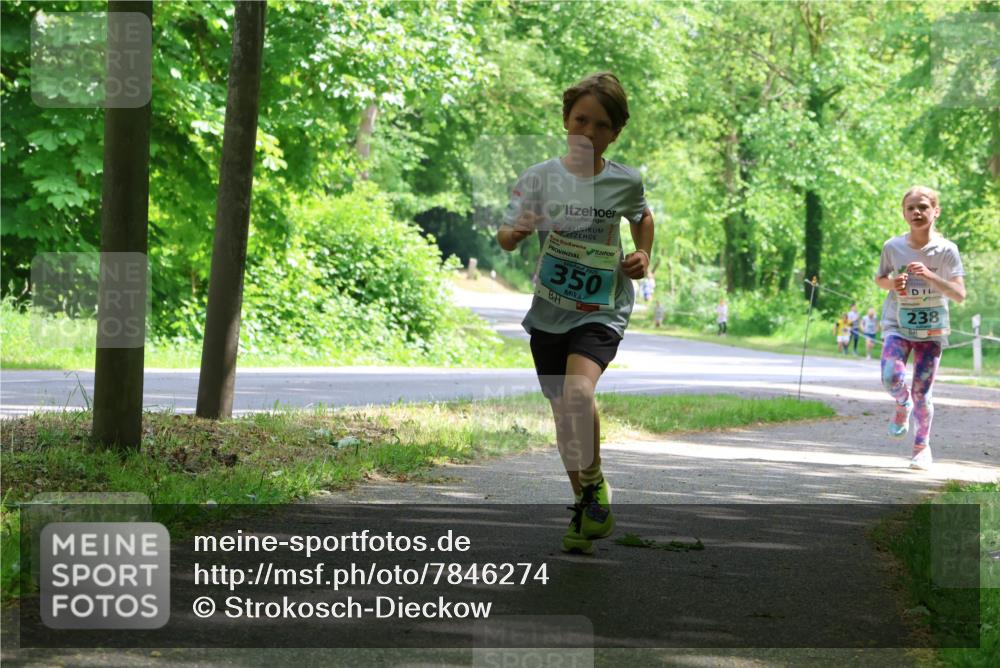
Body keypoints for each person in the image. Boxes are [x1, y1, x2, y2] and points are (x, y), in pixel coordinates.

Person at [496, 72, 653, 554]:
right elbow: (503, 236)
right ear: (566, 120)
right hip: (548, 312)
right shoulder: (540, 178)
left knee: (578, 393)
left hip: (601, 307)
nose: (587, 132)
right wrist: (519, 230)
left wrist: (643, 255)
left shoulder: (624, 181)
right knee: (563, 414)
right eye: (580, 120)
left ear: (615, 132)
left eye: (600, 125)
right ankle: (588, 507)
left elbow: (642, 217)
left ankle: (594, 484)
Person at [875, 186, 965, 470]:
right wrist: (893, 284)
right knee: (891, 376)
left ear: (935, 211)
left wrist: (929, 276)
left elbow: (959, 294)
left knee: (922, 392)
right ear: (903, 213)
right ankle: (902, 405)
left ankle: (921, 447)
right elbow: (881, 279)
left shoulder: (947, 250)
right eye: (911, 207)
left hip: (932, 329)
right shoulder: (893, 247)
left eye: (923, 207)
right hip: (897, 324)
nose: (917, 212)